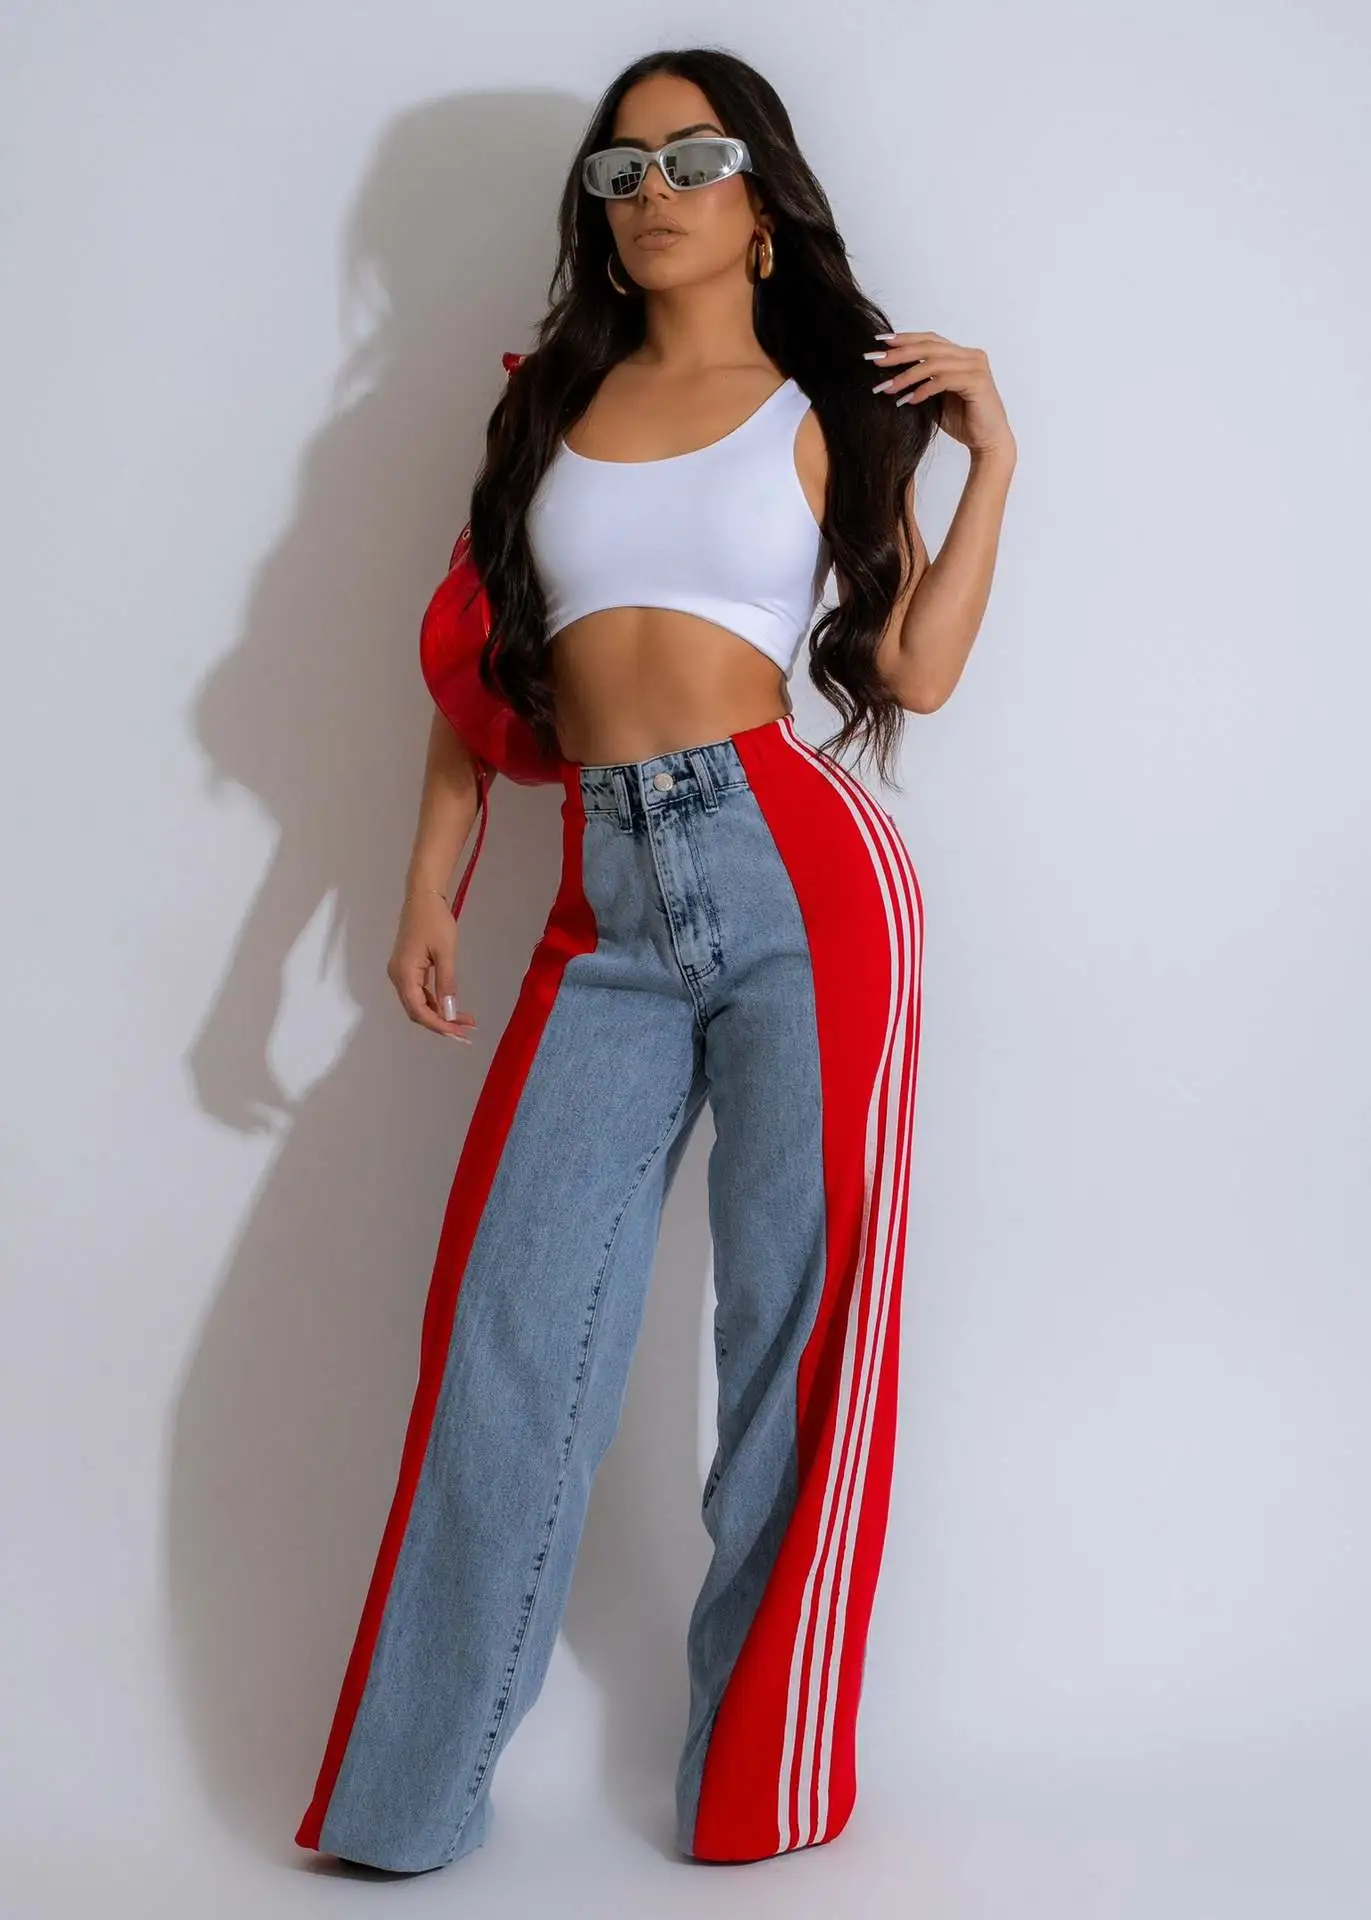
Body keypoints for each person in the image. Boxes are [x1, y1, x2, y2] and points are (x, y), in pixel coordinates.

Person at [293, 44, 1016, 1876]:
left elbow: (913, 674)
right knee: (507, 1333)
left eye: (692, 160)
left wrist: (994, 459)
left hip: (801, 882)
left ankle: (761, 1789)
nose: (653, 193)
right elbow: (482, 672)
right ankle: (405, 1809)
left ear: (760, 200)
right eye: (620, 171)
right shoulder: (541, 405)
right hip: (597, 910)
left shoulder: (824, 408)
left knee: (793, 1330)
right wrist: (429, 881)